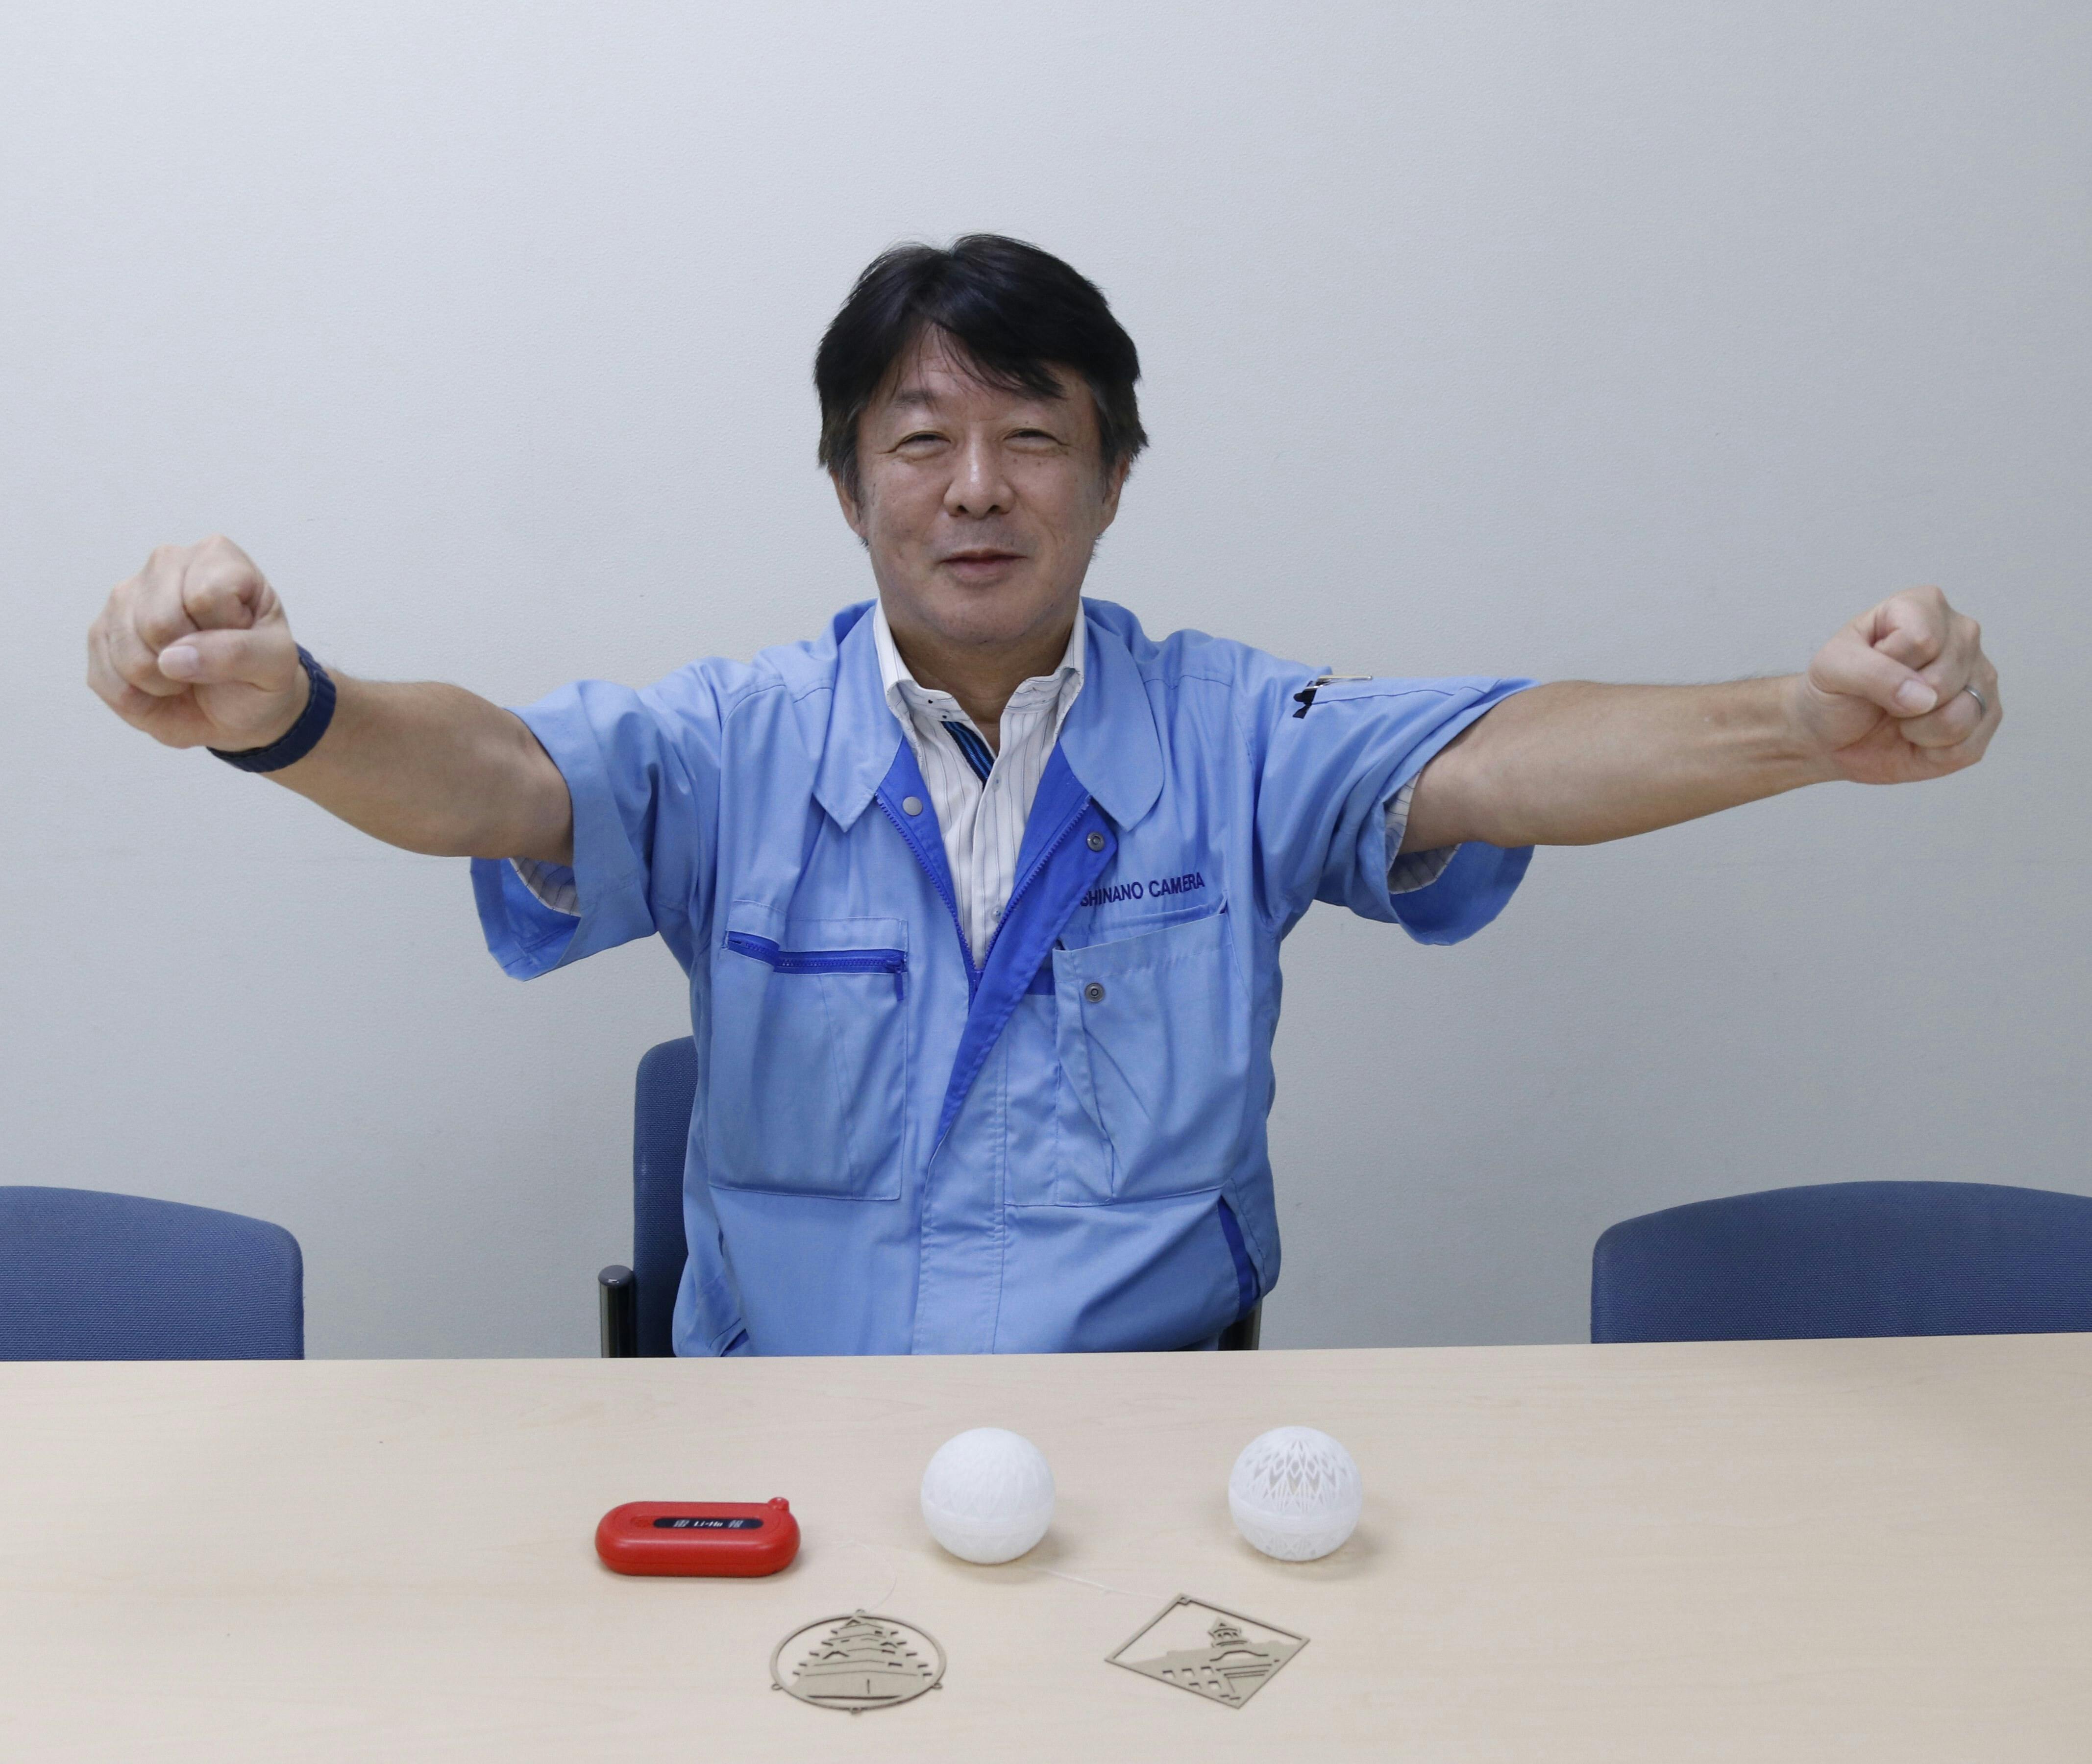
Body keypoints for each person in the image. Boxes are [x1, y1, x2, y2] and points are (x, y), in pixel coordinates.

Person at [86, 235, 2001, 1357]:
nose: (977, 488)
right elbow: (502, 774)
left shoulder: (1236, 730)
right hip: (789, 1443)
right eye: (920, 440)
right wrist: (292, 712)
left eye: (1031, 437)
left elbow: (1496, 751)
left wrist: (1798, 723)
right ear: (850, 486)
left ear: (1112, 478)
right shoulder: (737, 742)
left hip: (1153, 1448)